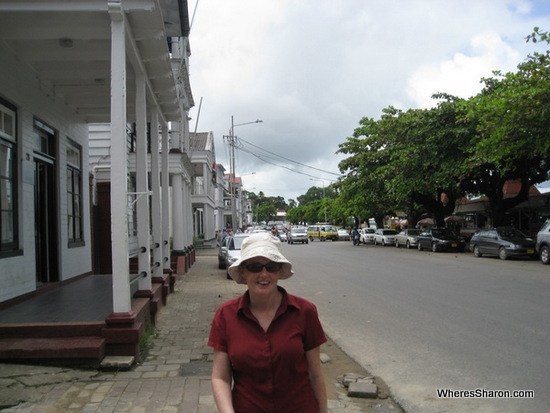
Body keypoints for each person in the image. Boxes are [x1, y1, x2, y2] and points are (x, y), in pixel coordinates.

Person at [208, 232, 328, 413]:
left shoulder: (304, 312)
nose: (264, 274)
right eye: (255, 266)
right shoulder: (226, 315)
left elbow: (315, 373)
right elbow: (221, 377)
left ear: (279, 271)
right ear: (243, 271)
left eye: (271, 266)